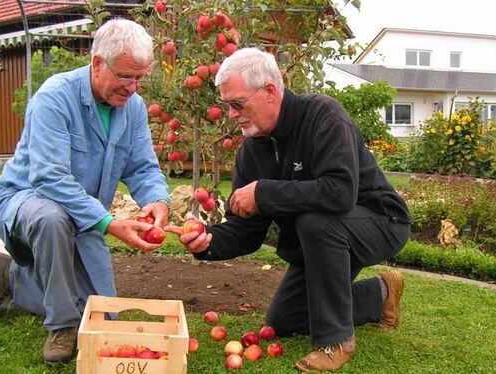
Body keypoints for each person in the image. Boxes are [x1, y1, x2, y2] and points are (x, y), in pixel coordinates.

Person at [166, 48, 411, 372]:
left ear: (269, 91)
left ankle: (335, 340)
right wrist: (208, 240)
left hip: (381, 220)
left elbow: (339, 192)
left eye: (237, 103)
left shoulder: (324, 116)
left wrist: (264, 193)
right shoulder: (251, 152)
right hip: (327, 233)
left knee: (316, 221)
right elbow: (247, 232)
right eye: (227, 105)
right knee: (284, 319)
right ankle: (380, 293)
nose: (231, 114)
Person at [0, 18, 170, 364]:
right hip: (28, 201)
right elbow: (49, 179)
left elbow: (143, 168)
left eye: (140, 78)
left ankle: (12, 278)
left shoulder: (133, 108)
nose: (132, 87)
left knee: (102, 316)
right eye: (125, 76)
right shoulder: (55, 98)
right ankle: (62, 325)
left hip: (82, 216)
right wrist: (108, 223)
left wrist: (157, 201)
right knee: (52, 218)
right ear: (98, 63)